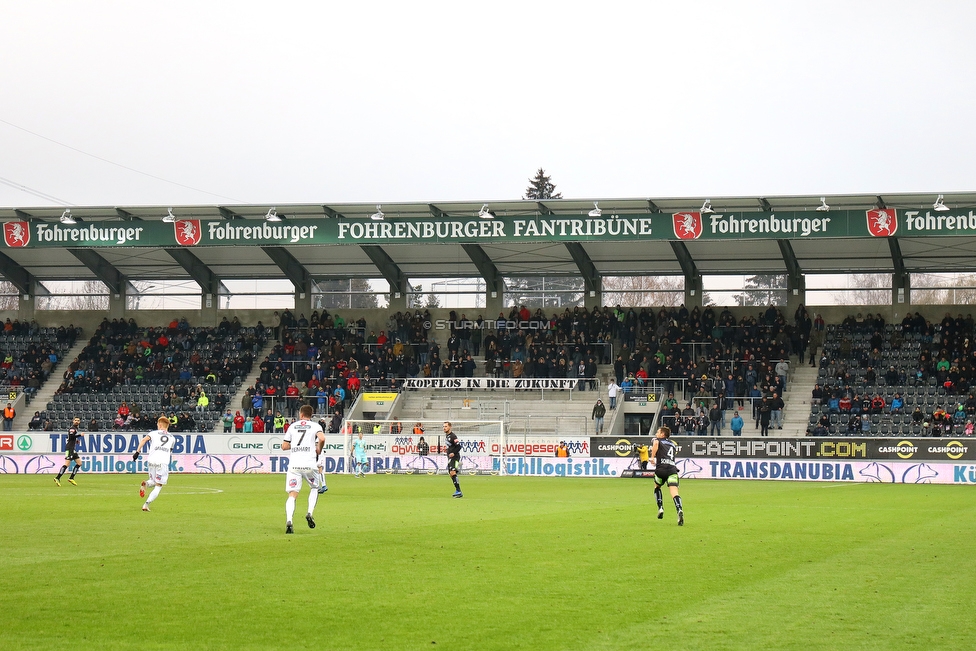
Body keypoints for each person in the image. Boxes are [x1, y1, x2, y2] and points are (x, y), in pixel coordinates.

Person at [281, 405, 325, 534]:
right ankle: (309, 512)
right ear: (311, 415)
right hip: (309, 464)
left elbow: (284, 446)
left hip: (294, 465)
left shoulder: (292, 426)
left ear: (300, 414)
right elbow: (322, 438)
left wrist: (292, 446)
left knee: (292, 494)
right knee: (314, 488)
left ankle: (289, 520)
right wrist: (319, 449)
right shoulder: (316, 426)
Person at [133, 416, 177, 512]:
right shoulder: (172, 438)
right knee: (158, 485)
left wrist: (137, 452)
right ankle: (146, 504)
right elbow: (170, 451)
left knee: (153, 481)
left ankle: (146, 483)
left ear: (160, 424)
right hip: (162, 462)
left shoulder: (153, 433)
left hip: (151, 461)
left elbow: (144, 440)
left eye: (157, 424)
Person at [651, 426, 684, 526]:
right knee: (674, 492)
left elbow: (656, 442)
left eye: (658, 432)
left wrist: (652, 457)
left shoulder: (657, 440)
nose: (656, 433)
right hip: (672, 469)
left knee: (657, 486)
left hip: (661, 468)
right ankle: (679, 509)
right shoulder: (673, 445)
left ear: (662, 434)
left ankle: (660, 507)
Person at [54, 417, 83, 486]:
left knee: (79, 463)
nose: (77, 421)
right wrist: (79, 435)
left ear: (79, 422)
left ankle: (71, 478)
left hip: (72, 449)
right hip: (69, 448)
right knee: (67, 464)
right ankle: (57, 478)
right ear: (73, 421)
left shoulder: (75, 428)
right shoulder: (72, 428)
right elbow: (71, 436)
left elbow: (70, 437)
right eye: (75, 420)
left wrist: (76, 441)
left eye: (78, 420)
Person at [444, 422, 463, 498]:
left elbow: (459, 447)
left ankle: (459, 491)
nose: (444, 428)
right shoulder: (447, 436)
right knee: (451, 474)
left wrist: (453, 453)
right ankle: (458, 491)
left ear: (450, 427)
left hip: (455, 457)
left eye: (445, 426)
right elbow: (452, 446)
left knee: (452, 472)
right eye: (443, 426)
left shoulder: (453, 436)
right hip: (450, 457)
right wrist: (447, 449)